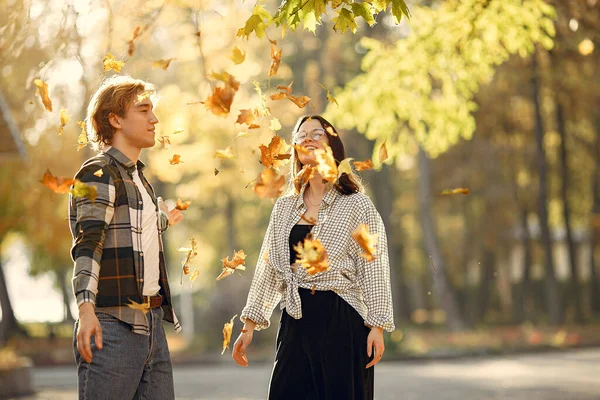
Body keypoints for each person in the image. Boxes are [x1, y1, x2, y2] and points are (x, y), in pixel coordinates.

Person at [232, 115, 395, 400]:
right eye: (301, 134)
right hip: (295, 319)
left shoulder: (356, 204)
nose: (308, 138)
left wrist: (377, 325)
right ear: (294, 148)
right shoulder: (284, 208)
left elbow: (374, 264)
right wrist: (249, 326)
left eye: (317, 133)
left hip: (341, 319)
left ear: (333, 144)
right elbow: (268, 267)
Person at [68, 75, 183, 399]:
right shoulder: (98, 172)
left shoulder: (138, 179)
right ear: (115, 119)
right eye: (144, 110)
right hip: (113, 326)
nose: (154, 119)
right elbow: (89, 243)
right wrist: (86, 310)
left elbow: (128, 231)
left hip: (151, 326)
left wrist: (161, 221)